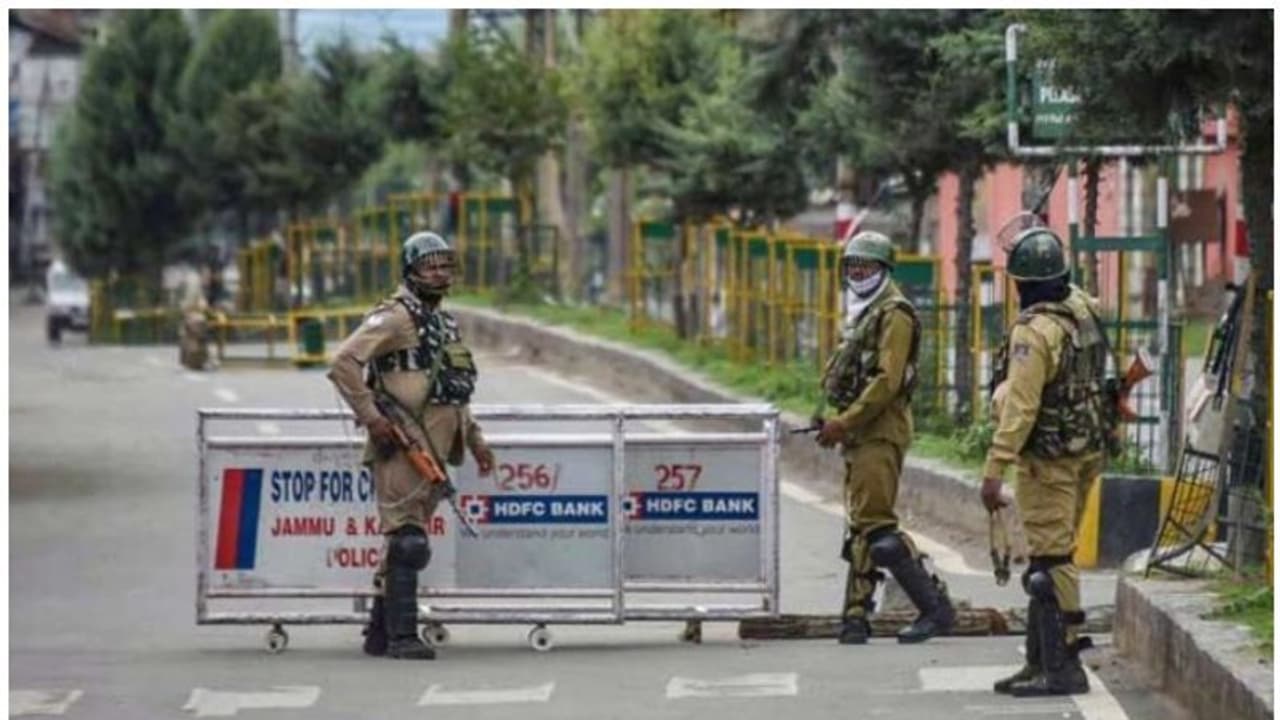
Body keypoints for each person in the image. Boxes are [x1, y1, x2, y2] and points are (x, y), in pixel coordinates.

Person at [327, 231, 496, 660]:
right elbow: (344, 362)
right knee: (408, 541)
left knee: (405, 540)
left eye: (445, 266)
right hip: (402, 444)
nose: (439, 274)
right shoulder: (396, 316)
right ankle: (403, 637)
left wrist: (476, 440)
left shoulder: (444, 322)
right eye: (429, 266)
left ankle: (378, 634)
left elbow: (454, 391)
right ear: (410, 270)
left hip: (438, 449)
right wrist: (373, 419)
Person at [982, 227, 1109, 696]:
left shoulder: (1035, 333)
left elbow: (1020, 407)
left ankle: (1064, 665)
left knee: (1051, 560)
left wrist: (995, 468)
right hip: (1086, 450)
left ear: (1020, 284)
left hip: (1048, 460)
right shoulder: (1083, 310)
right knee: (1048, 556)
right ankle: (1039, 661)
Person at [817, 231, 955, 646]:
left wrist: (847, 420)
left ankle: (934, 608)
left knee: (879, 530)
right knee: (862, 527)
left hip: (880, 430)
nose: (858, 272)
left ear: (885, 270)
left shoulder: (895, 313)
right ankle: (856, 616)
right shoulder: (864, 312)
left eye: (868, 266)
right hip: (862, 433)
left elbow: (887, 381)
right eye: (853, 265)